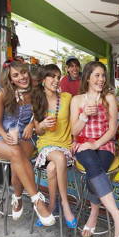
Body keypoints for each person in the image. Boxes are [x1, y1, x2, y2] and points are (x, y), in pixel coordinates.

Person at [0, 59, 55, 227]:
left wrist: (31, 125)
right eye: (15, 75)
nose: (21, 77)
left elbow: (38, 116)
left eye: (23, 73)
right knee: (16, 153)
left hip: (26, 136)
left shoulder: (35, 93)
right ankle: (37, 201)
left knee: (18, 160)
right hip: (0, 136)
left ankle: (17, 197)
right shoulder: (2, 94)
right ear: (10, 79)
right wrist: (5, 135)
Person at [70, 61, 119, 237]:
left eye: (103, 75)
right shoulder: (77, 100)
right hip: (82, 145)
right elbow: (74, 131)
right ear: (87, 77)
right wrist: (84, 116)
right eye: (97, 75)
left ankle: (94, 213)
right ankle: (118, 217)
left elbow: (112, 131)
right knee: (94, 166)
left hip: (104, 145)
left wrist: (94, 143)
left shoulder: (109, 98)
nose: (101, 79)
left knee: (97, 168)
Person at [32, 64, 77, 228]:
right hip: (46, 145)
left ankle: (52, 206)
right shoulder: (37, 100)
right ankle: (65, 204)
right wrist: (42, 124)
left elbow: (75, 123)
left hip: (65, 144)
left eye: (58, 77)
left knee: (52, 169)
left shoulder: (67, 98)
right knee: (56, 157)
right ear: (43, 80)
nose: (56, 80)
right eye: (52, 76)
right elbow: (38, 131)